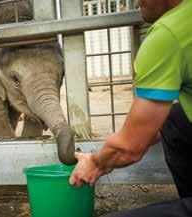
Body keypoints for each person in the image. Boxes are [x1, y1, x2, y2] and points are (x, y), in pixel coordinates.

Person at [69, 0, 192, 216]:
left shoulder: (169, 34)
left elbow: (129, 149)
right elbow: (151, 129)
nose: (135, 2)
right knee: (173, 119)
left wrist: (96, 163)